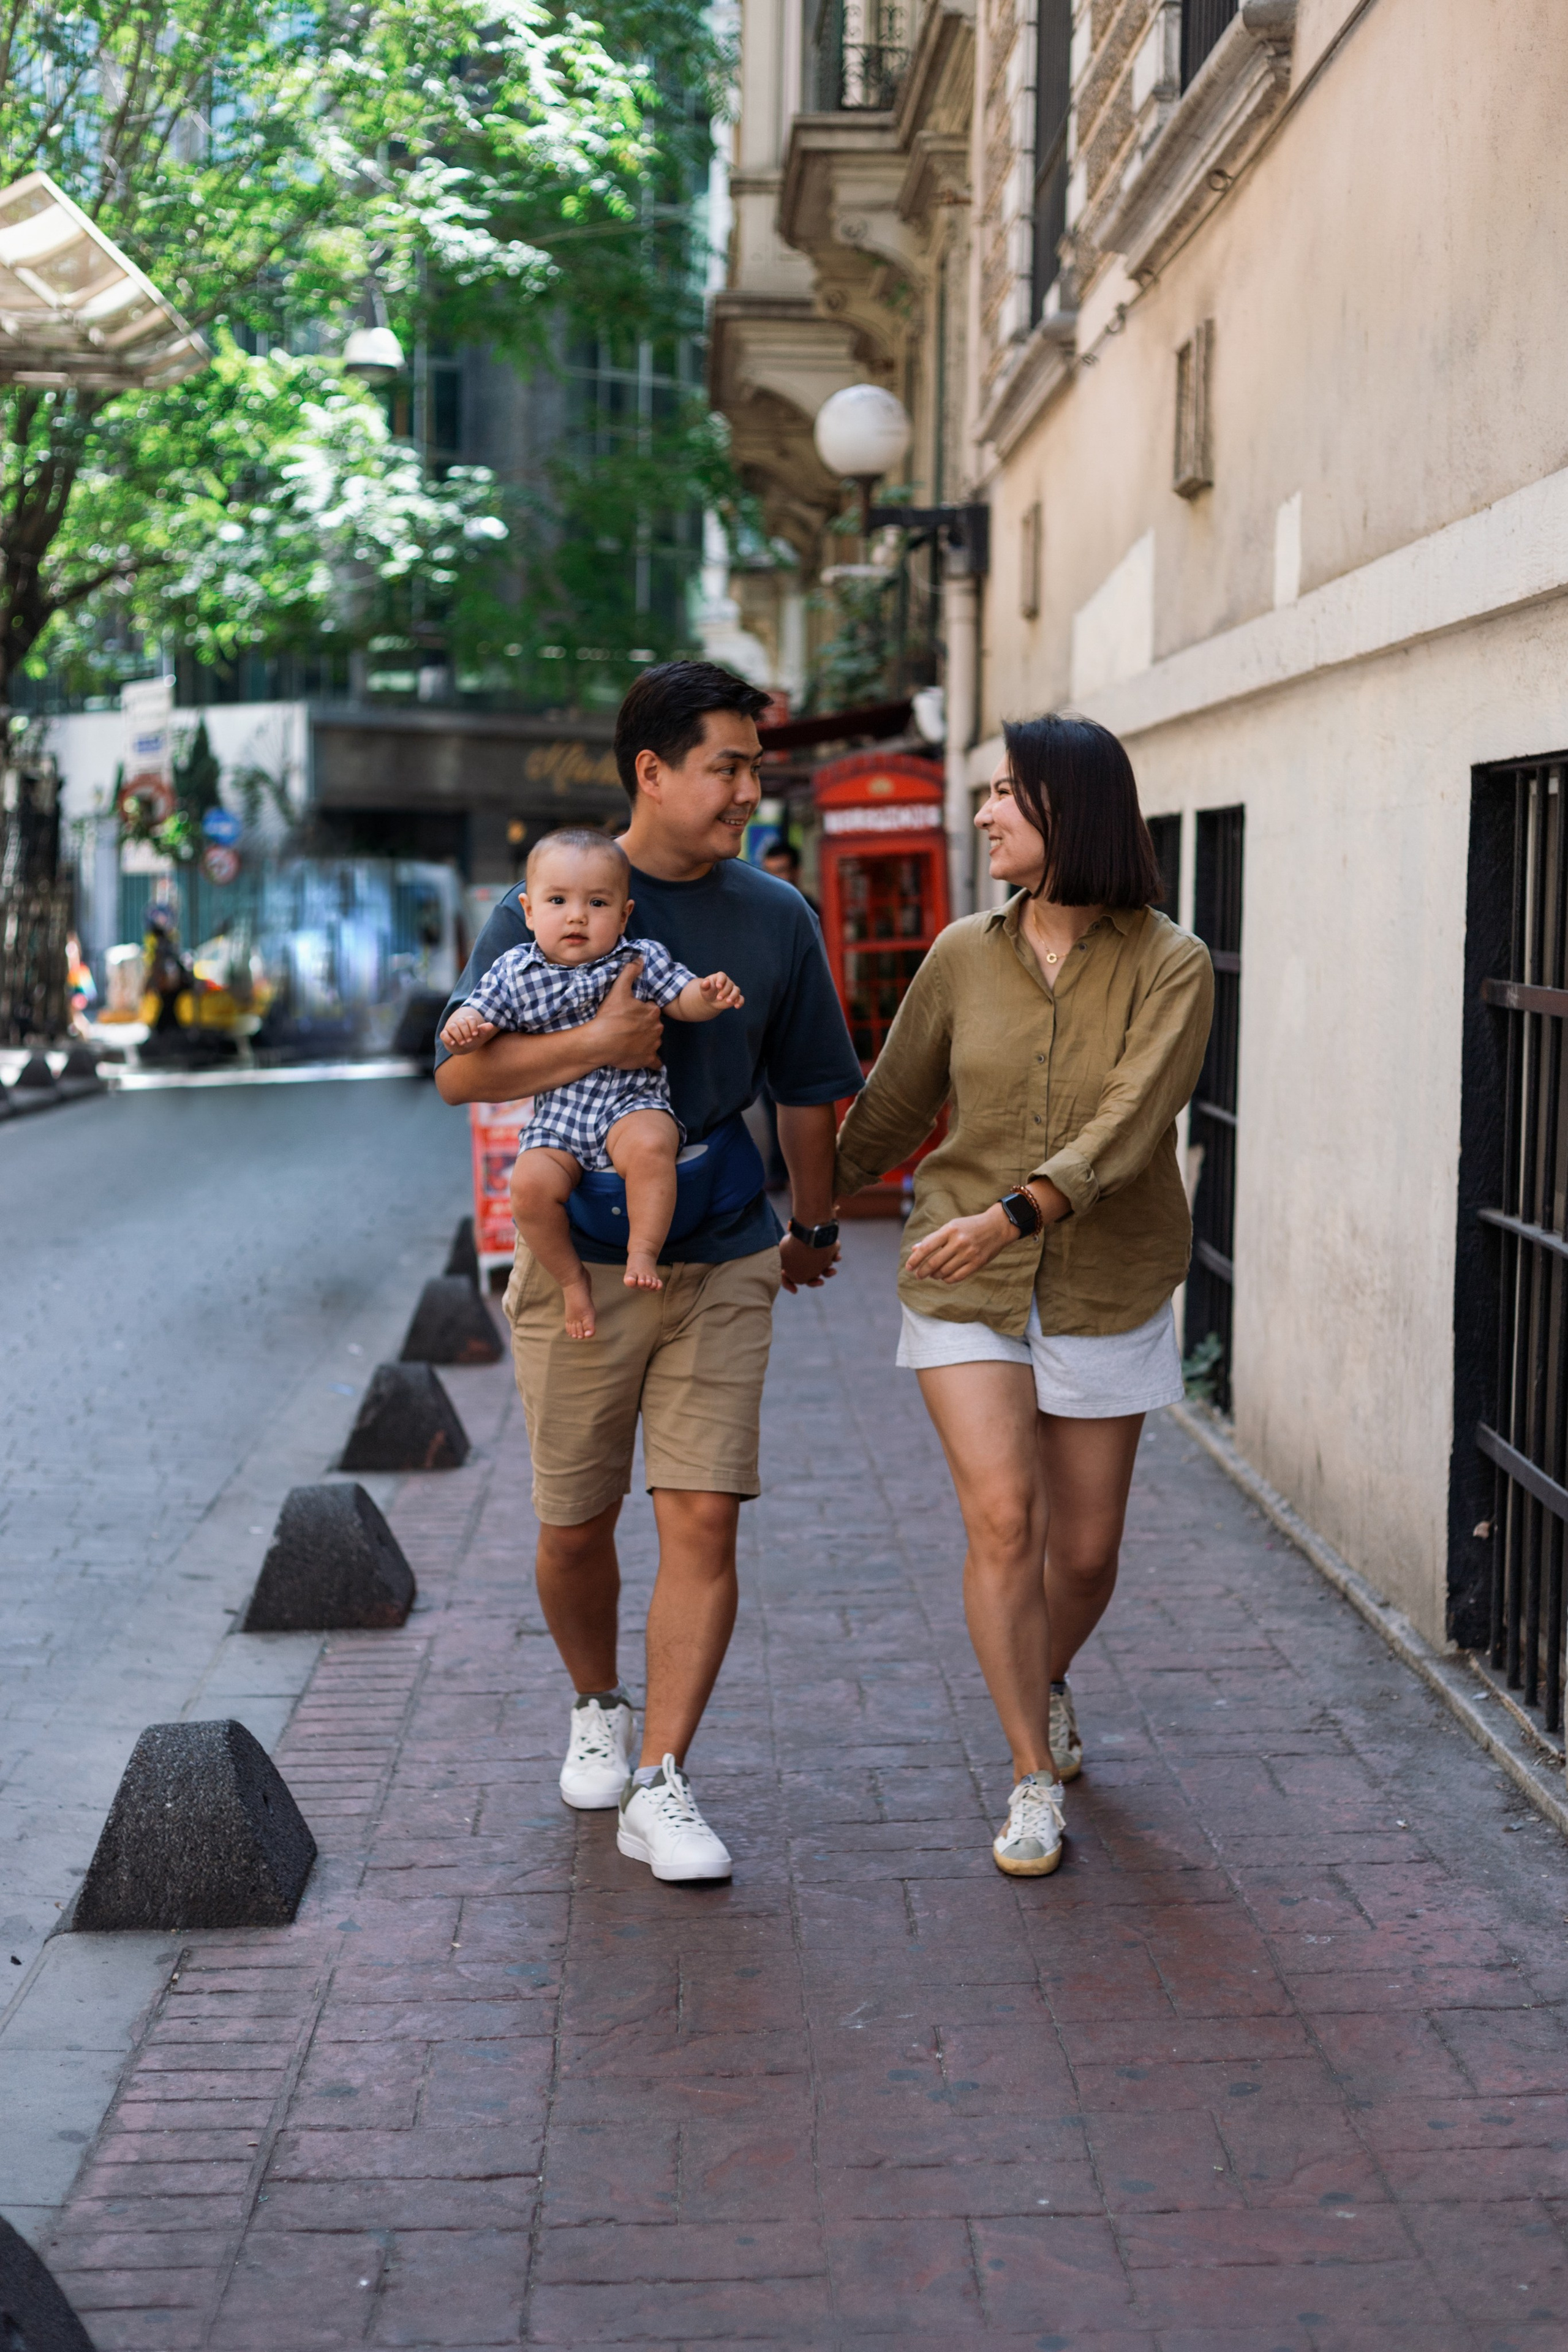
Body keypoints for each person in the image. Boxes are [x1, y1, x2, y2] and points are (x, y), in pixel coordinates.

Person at [435, 662, 864, 1883]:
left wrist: (816, 1228)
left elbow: (807, 1089)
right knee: (572, 1522)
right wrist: (598, 1043)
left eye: (751, 768)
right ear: (653, 771)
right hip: (574, 1240)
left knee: (702, 1510)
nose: (746, 790)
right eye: (727, 766)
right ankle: (595, 1704)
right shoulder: (538, 907)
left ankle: (663, 1779)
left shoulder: (774, 917)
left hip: (722, 1247)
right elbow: (460, 1076)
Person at [834, 714, 1213, 1879]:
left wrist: (1021, 1209)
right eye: (988, 793)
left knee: (1085, 1554)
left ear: (1073, 812)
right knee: (1006, 1522)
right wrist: (793, 1199)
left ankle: (1043, 1673)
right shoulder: (959, 955)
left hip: (1104, 1275)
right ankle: (1028, 1776)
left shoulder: (1172, 963)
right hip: (966, 1283)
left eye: (1006, 794)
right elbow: (890, 1113)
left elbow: (1135, 1118)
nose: (986, 813)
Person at [439, 829, 745, 1336]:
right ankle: (571, 1280)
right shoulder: (514, 970)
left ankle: (643, 1250)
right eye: (558, 901)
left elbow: (680, 998)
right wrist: (465, 1027)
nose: (577, 915)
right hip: (559, 1117)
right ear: (529, 911)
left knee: (652, 1146)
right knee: (529, 1187)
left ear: (624, 915)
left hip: (629, 1100)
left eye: (596, 903)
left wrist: (706, 995)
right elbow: (481, 1019)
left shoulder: (638, 958)